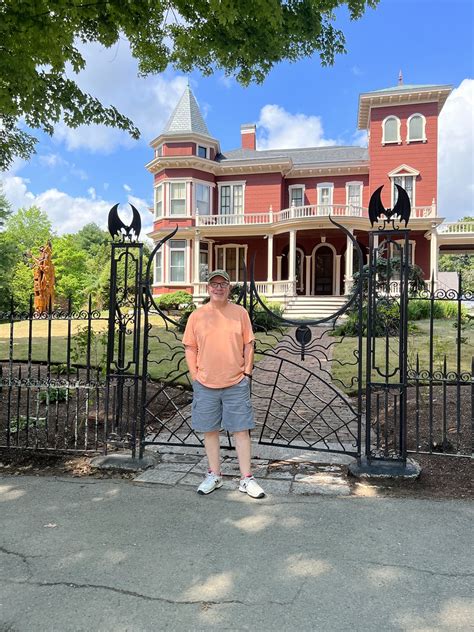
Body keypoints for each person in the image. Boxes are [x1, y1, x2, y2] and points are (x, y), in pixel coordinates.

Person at [182, 269, 265, 499]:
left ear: (229, 287)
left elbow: (249, 345)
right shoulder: (197, 316)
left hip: (236, 382)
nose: (218, 287)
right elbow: (190, 348)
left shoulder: (240, 313)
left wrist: (247, 373)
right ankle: (214, 475)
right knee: (209, 431)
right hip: (206, 383)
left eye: (223, 284)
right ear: (208, 288)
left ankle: (246, 478)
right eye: (214, 284)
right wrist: (195, 375)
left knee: (241, 430)